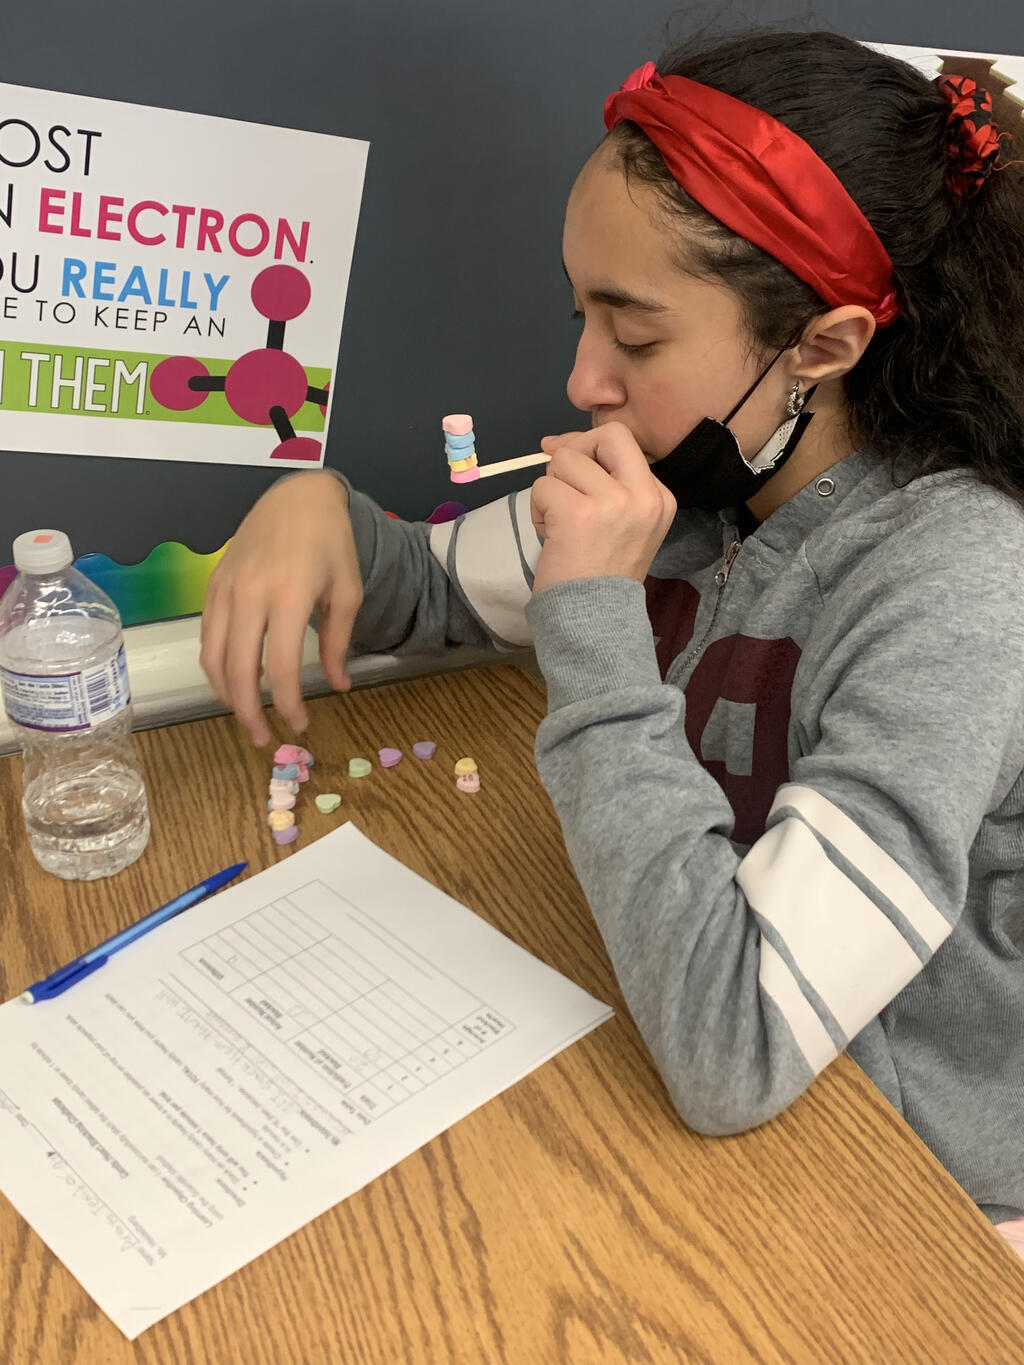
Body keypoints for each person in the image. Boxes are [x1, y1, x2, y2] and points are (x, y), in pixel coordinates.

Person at [200, 30, 1024, 1246]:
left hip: (909, 1185)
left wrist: (590, 621)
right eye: (580, 312)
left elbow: (733, 1044)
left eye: (633, 337)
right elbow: (422, 590)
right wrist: (314, 506)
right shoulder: (692, 486)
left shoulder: (959, 582)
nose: (583, 379)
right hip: (676, 1049)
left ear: (824, 345)